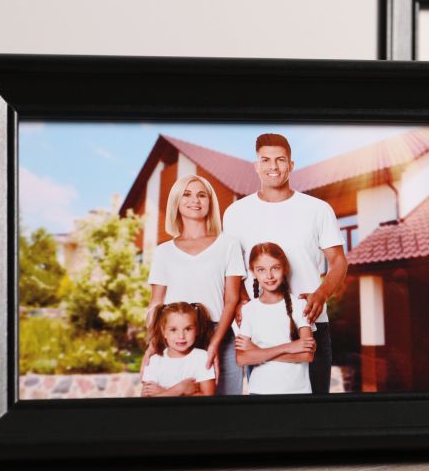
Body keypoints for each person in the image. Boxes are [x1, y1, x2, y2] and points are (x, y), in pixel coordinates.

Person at [223, 133, 347, 395]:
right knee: (266, 410)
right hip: (261, 327)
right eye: (266, 160)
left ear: (291, 165)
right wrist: (243, 300)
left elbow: (338, 261)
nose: (273, 166)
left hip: (310, 322)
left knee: (315, 410)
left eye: (280, 160)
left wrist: (322, 294)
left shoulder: (317, 209)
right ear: (256, 166)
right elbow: (231, 268)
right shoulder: (235, 213)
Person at [146, 174, 246, 396]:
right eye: (187, 194)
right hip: (176, 337)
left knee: (228, 407)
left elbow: (232, 299)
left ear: (210, 202)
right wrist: (153, 343)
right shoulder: (163, 252)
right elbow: (156, 303)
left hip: (219, 333)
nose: (195, 200)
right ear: (176, 202)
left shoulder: (228, 245)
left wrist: (214, 344)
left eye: (202, 195)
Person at [234, 243, 316, 395]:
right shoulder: (249, 310)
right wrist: (288, 347)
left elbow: (307, 355)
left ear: (285, 268)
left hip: (298, 392)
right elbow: (242, 359)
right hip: (260, 391)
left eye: (275, 268)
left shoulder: (300, 305)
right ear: (253, 272)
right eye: (261, 270)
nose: (269, 276)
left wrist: (257, 352)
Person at [140, 301, 216, 397]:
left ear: (196, 330)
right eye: (173, 330)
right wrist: (180, 389)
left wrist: (163, 393)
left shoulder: (202, 357)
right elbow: (146, 402)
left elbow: (208, 398)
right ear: (163, 331)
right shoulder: (154, 361)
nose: (181, 336)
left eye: (188, 329)